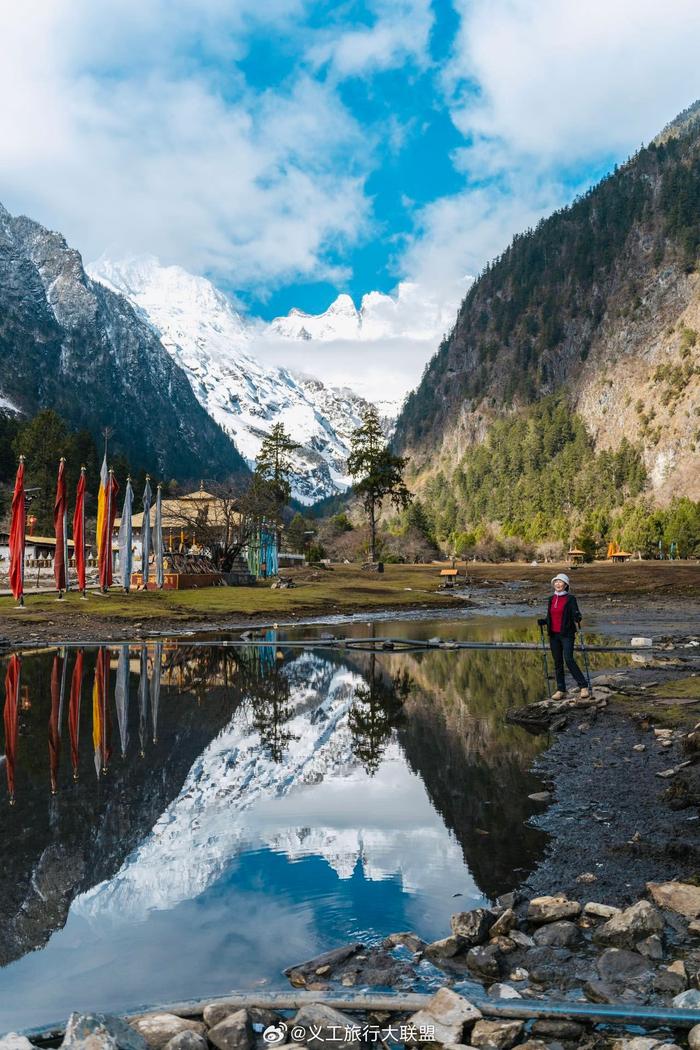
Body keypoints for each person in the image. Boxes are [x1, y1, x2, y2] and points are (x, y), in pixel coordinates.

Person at [538, 572, 589, 699]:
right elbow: (550, 616)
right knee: (558, 662)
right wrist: (544, 621)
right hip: (554, 635)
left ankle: (583, 686)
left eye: (560, 582)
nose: (558, 584)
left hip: (567, 634)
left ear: (566, 585)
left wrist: (578, 616)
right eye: (556, 582)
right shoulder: (551, 599)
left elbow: (575, 614)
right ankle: (561, 690)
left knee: (569, 659)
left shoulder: (570, 599)